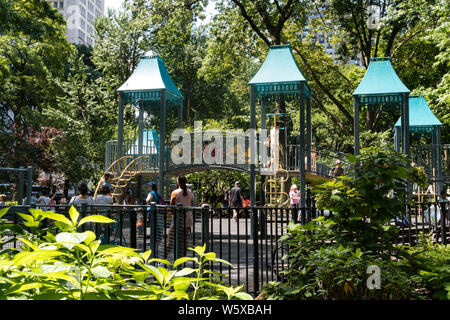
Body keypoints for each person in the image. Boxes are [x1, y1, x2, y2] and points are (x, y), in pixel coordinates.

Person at [166, 175, 193, 257]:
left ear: (178, 182)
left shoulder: (175, 193)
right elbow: (191, 204)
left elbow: (172, 206)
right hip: (188, 218)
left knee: (170, 239)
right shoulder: (190, 192)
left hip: (178, 218)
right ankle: (183, 259)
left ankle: (163, 258)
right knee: (184, 240)